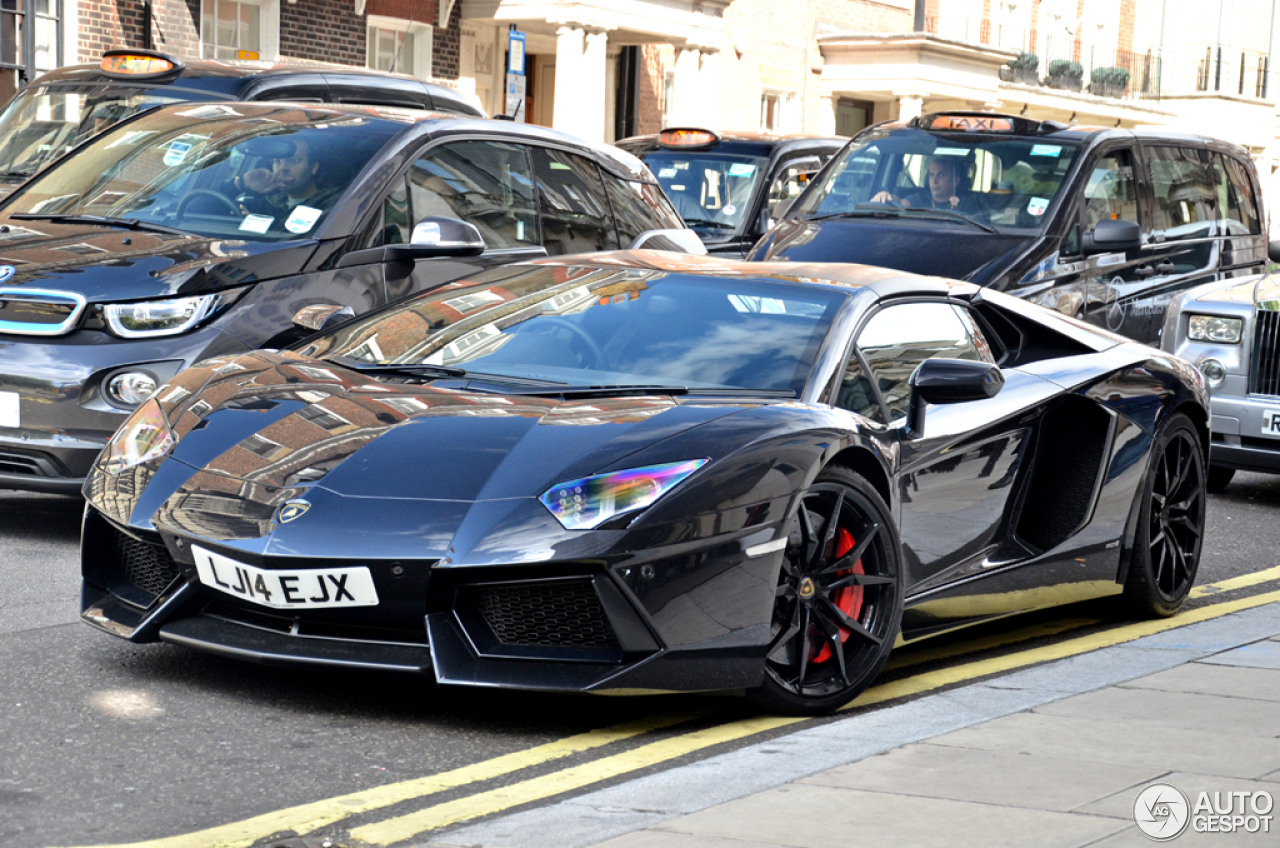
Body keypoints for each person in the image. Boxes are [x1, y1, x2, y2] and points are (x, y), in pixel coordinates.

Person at [235, 137, 335, 220]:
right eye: (277, 161)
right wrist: (241, 183)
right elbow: (220, 206)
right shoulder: (266, 204)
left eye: (293, 160)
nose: (283, 168)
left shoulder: (330, 208)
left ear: (313, 167)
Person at [871, 156, 980, 213]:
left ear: (955, 181)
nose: (934, 180)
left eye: (941, 175)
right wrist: (887, 197)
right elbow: (901, 203)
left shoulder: (967, 205)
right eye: (931, 175)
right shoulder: (920, 199)